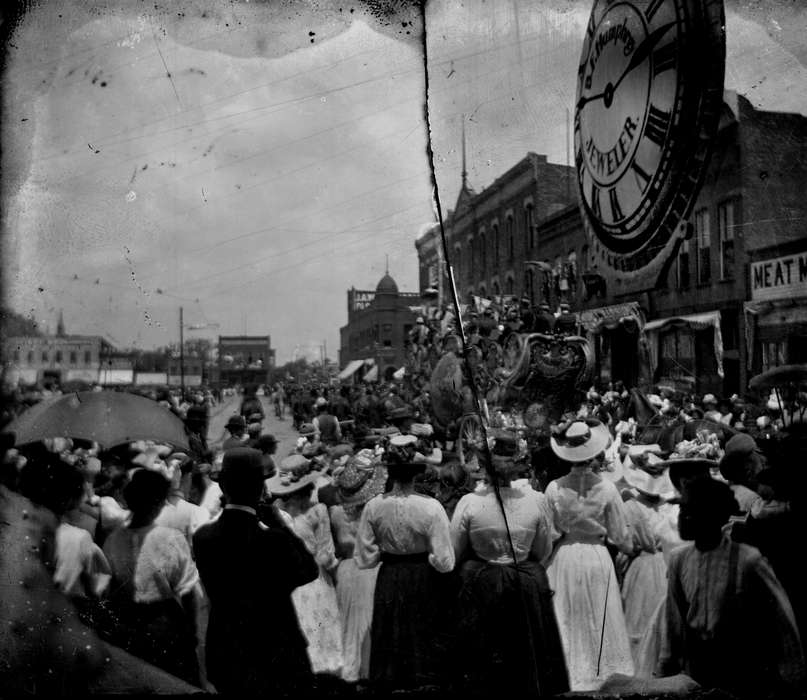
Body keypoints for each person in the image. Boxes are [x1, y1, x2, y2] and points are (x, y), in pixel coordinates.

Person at [660, 475, 806, 697]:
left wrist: (792, 679)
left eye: (692, 512)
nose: (683, 518)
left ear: (713, 516)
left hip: (743, 673)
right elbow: (674, 621)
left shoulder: (747, 560)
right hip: (698, 673)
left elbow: (782, 621)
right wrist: (666, 671)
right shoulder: (680, 560)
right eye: (682, 511)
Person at [450, 432, 569, 696]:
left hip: (483, 580)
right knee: (526, 651)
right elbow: (542, 550)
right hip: (523, 580)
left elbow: (455, 550)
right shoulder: (535, 500)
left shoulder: (470, 502)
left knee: (485, 652)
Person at [193, 448, 318, 694]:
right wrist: (280, 525)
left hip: (227, 649)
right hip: (275, 648)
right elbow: (309, 571)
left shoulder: (203, 538)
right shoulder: (273, 540)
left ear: (224, 488)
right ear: (260, 488)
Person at [544, 419, 635, 691]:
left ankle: (571, 673)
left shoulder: (554, 488)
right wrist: (630, 549)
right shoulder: (607, 488)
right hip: (597, 555)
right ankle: (601, 674)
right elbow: (620, 534)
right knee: (599, 612)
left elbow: (549, 533)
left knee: (568, 614)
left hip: (565, 555)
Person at [354, 447, 455, 690]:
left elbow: (364, 558)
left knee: (390, 627)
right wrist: (427, 558)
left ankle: (391, 681)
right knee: (422, 629)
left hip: (390, 573)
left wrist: (386, 553)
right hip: (422, 575)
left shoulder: (374, 506)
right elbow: (445, 561)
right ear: (416, 473)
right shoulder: (431, 507)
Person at [102, 468, 205, 686]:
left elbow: (109, 590)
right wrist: (193, 630)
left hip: (130, 625)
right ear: (158, 503)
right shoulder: (170, 539)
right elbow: (188, 592)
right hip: (165, 625)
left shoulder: (112, 540)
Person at [267, 461, 344, 677]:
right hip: (315, 580)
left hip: (287, 583)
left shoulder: (275, 513)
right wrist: (338, 576)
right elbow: (326, 554)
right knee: (324, 641)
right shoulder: (317, 511)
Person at [329, 456, 386, 683]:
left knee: (347, 622)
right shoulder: (376, 511)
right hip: (371, 567)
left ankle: (349, 672)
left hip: (346, 569)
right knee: (368, 623)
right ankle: (368, 671)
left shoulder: (334, 512)